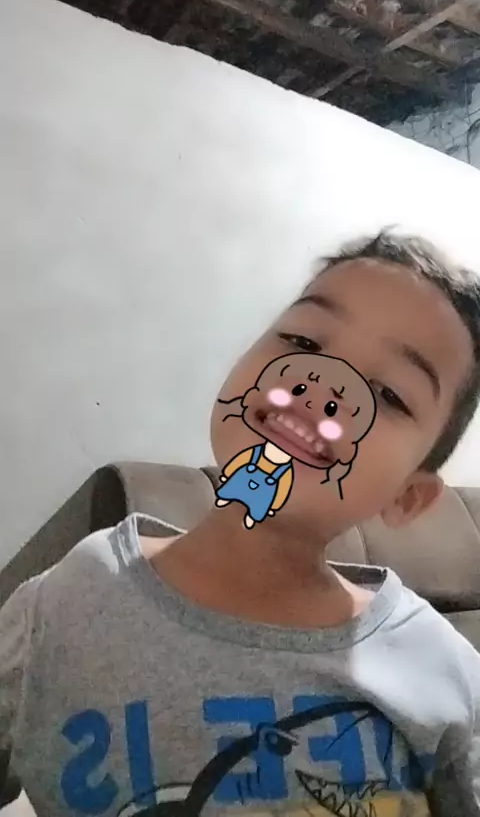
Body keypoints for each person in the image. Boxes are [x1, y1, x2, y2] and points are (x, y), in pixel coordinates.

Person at [1, 231, 480, 817]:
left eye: (386, 393)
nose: (321, 388)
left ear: (407, 497)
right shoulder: (65, 599)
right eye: (304, 341)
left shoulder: (442, 666)